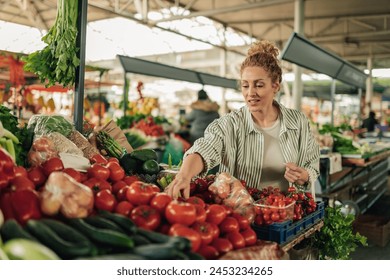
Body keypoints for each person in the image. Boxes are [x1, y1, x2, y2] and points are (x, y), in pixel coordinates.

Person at [165, 40, 320, 199]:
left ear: (275, 86)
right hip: (242, 213)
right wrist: (184, 176)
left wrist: (305, 176)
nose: (250, 93)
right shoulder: (230, 124)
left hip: (286, 212)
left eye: (259, 85)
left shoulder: (298, 122)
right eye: (245, 86)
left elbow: (313, 164)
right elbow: (205, 148)